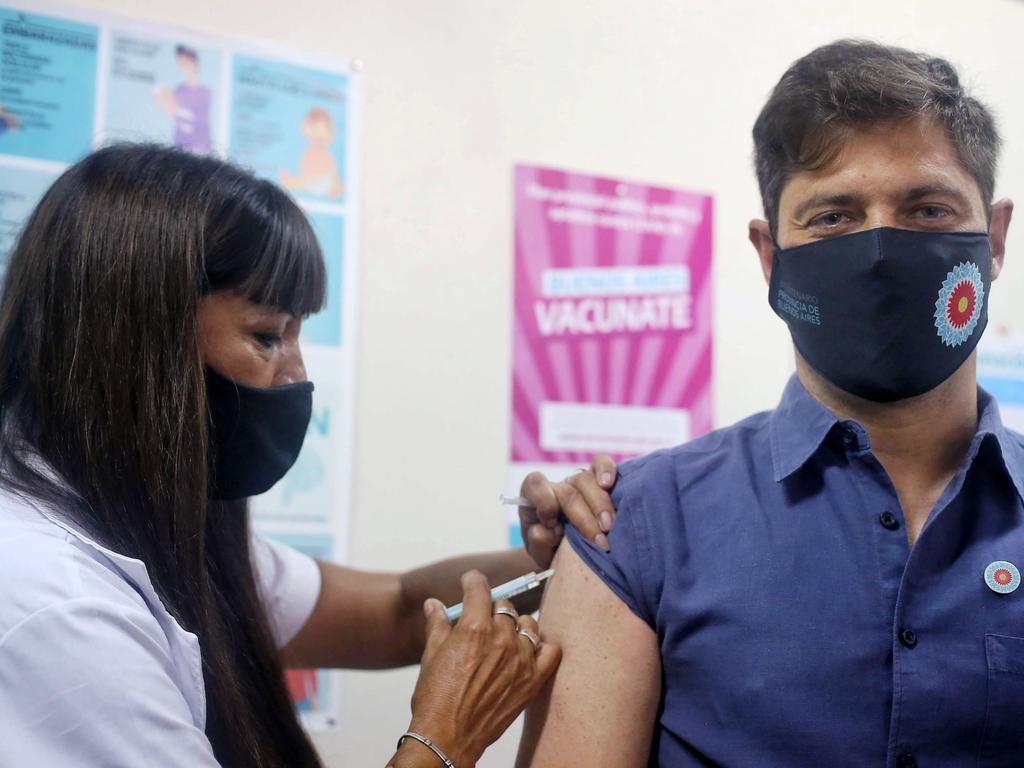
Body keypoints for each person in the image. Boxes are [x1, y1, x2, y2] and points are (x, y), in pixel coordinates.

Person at [0, 143, 615, 767]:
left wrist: (552, 556)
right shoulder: (62, 604)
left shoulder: (146, 527)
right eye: (267, 336)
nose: (296, 373)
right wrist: (443, 740)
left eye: (297, 334)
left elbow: (397, 609)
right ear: (138, 339)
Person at [518, 40, 1021, 767]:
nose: (881, 249)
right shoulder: (637, 524)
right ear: (769, 255)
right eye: (833, 217)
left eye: (928, 207)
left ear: (995, 237)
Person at [154, 45, 213, 153]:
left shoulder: (204, 93)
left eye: (186, 63)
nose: (183, 67)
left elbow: (199, 124)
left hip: (200, 151)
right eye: (181, 64)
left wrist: (177, 111)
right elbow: (171, 112)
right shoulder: (179, 91)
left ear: (195, 63)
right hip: (180, 150)